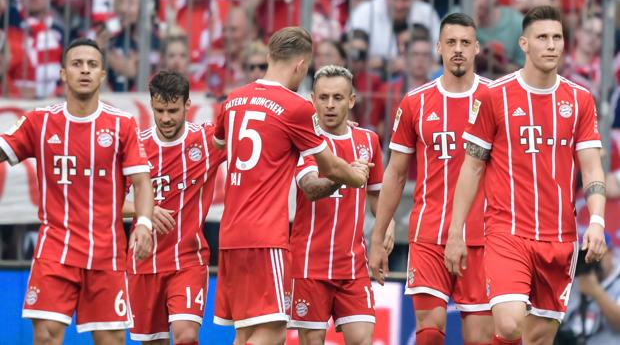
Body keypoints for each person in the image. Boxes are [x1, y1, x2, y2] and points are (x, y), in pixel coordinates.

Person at [443, 6, 607, 345]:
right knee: (510, 321)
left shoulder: (579, 100)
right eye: (542, 37)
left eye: (557, 37)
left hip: (560, 237)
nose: (551, 45)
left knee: (538, 339)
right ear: (524, 43)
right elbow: (472, 166)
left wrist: (597, 221)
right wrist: (456, 231)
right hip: (507, 232)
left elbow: (591, 166)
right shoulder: (494, 95)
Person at [212, 26, 371, 345]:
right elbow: (329, 166)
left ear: (269, 56)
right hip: (264, 237)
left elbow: (219, 144)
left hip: (230, 233)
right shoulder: (295, 107)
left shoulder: (233, 100)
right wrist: (357, 174)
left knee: (245, 332)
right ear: (301, 65)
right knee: (273, 332)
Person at [0, 38, 153, 344]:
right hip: (56, 248)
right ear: (63, 73)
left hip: (106, 254)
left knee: (110, 340)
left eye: (92, 65)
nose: (85, 70)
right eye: (77, 64)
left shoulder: (122, 124)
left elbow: (142, 182)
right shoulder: (39, 122)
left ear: (103, 75)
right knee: (45, 337)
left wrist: (145, 224)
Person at [369, 13, 494, 345]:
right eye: (451, 42)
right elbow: (395, 173)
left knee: (481, 336)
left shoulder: (496, 99)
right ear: (438, 47)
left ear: (477, 48)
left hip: (482, 235)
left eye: (465, 43)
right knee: (428, 330)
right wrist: (378, 236)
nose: (458, 50)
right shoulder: (416, 101)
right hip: (428, 233)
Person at [288, 65, 395, 344]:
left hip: (352, 266)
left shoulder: (367, 140)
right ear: (312, 100)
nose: (330, 105)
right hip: (310, 265)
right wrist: (346, 176)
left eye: (337, 98)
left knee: (362, 339)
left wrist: (387, 225)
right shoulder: (306, 140)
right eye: (323, 98)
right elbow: (310, 188)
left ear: (351, 100)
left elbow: (376, 196)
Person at [122, 71, 226, 345]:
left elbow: (260, 133)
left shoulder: (206, 141)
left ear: (187, 105)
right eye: (159, 110)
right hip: (143, 262)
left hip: (188, 261)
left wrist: (324, 127)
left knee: (186, 335)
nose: (166, 118)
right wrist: (144, 210)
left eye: (172, 110)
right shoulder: (136, 146)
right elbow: (106, 200)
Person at [558, 233, 620, 344]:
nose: (591, 260)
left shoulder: (617, 282)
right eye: (587, 255)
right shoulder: (575, 279)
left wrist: (596, 292)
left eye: (598, 255)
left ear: (610, 254)